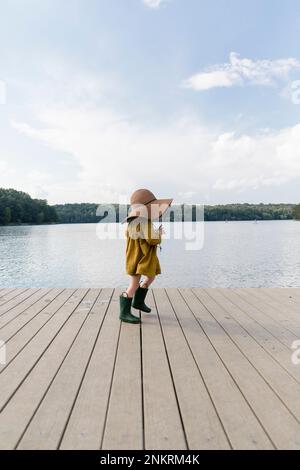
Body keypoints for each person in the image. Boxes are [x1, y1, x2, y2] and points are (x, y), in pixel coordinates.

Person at [119, 188, 173, 324]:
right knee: (133, 285)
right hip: (140, 259)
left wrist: (154, 232)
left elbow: (141, 237)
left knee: (151, 276)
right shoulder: (144, 222)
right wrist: (159, 234)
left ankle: (138, 302)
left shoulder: (133, 222)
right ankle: (124, 313)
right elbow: (152, 240)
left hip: (135, 258)